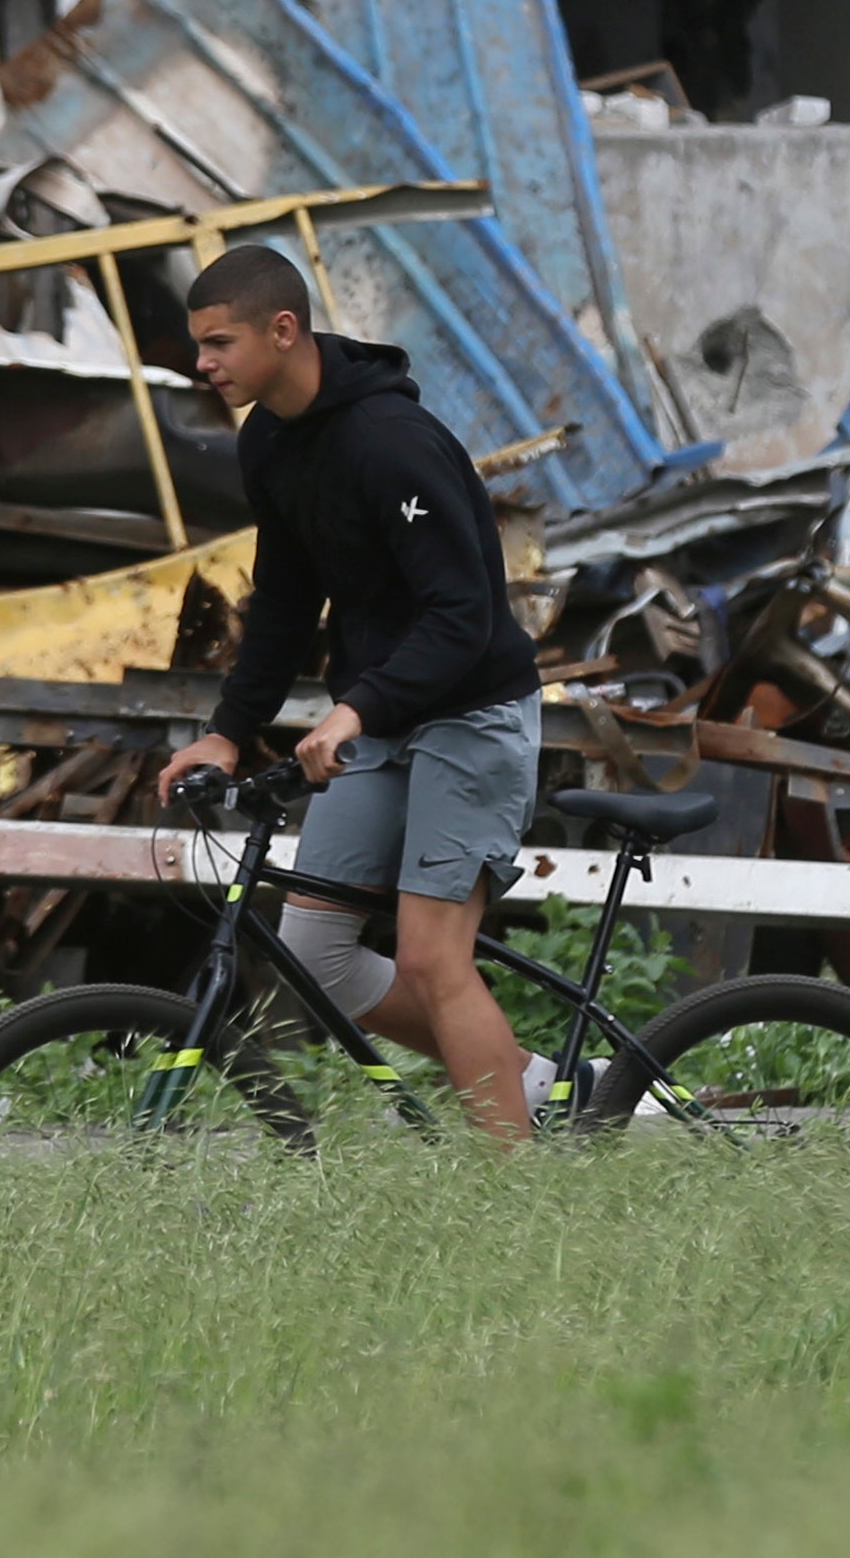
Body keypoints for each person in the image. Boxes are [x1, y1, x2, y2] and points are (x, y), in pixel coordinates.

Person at [154, 242, 547, 1140]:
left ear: (282, 330)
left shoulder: (390, 442)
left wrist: (354, 708)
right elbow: (286, 599)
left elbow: (463, 615)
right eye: (199, 344)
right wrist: (227, 731)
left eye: (218, 342)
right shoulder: (270, 440)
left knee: (430, 955)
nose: (202, 363)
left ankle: (525, 1200)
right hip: (380, 720)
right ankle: (527, 1079)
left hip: (470, 714)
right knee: (315, 954)